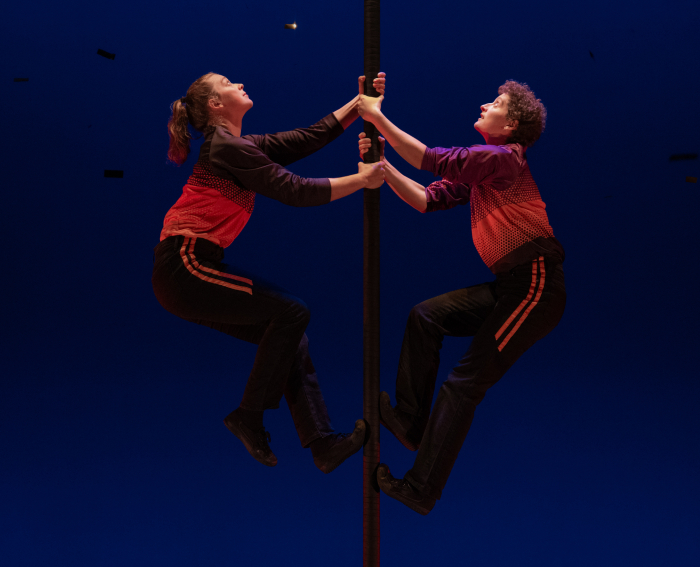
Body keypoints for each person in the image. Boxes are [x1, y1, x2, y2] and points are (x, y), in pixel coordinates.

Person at [153, 71, 386, 473]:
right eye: (227, 82)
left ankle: (321, 444)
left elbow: (307, 137)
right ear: (214, 105)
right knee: (291, 312)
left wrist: (359, 102)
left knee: (289, 333)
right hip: (184, 264)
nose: (239, 83)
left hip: (193, 267)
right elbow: (292, 189)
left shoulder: (239, 146)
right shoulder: (225, 147)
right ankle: (248, 415)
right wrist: (362, 180)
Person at [357, 80, 566, 513]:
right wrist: (382, 168)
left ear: (510, 125)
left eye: (497, 103)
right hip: (513, 286)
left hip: (536, 285)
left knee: (464, 385)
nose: (484, 103)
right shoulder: (486, 172)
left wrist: (377, 117)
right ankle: (411, 423)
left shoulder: (504, 159)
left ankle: (421, 488)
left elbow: (431, 159)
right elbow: (426, 200)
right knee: (426, 316)